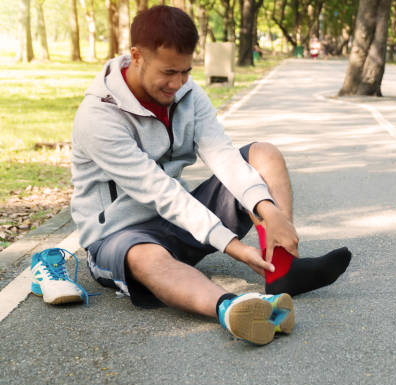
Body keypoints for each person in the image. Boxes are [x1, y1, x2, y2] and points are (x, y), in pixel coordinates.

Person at [65, 6, 351, 345]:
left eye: (186, 71)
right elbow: (159, 192)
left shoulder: (188, 93)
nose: (178, 83)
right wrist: (231, 246)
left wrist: (268, 209)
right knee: (144, 255)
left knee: (264, 154)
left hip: (182, 223)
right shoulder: (98, 117)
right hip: (119, 235)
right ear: (137, 56)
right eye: (169, 72)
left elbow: (223, 157)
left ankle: (283, 271)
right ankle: (232, 309)